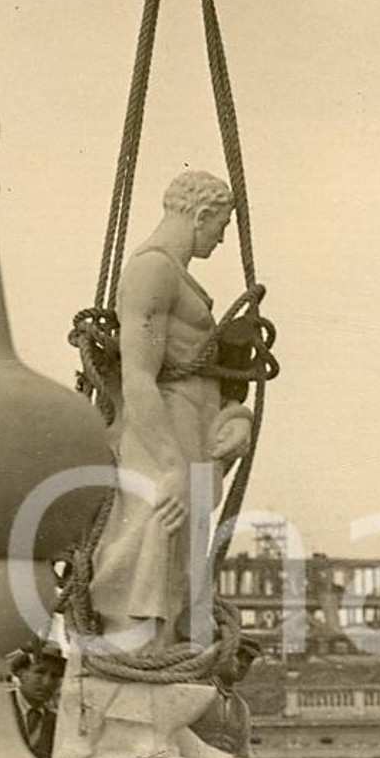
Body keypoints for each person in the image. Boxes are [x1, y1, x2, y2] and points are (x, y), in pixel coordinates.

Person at [89, 172, 253, 649]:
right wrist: (170, 466)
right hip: (162, 436)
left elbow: (207, 374)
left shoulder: (176, 277)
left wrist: (236, 419)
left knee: (177, 566)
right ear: (201, 216)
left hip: (191, 434)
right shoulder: (151, 271)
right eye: (220, 227)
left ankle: (163, 664)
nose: (221, 239)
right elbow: (138, 376)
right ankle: (137, 666)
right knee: (149, 555)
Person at [188, 634, 262, 758]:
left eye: (249, 660)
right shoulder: (196, 692)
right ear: (220, 655)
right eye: (238, 655)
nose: (243, 664)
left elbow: (242, 753)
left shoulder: (241, 708)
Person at [9, 643, 66, 758]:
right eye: (40, 672)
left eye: (55, 676)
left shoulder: (58, 723)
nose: (47, 682)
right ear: (21, 673)